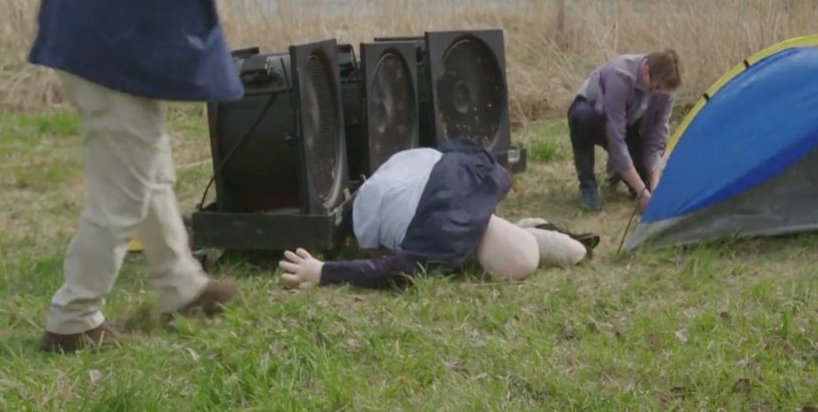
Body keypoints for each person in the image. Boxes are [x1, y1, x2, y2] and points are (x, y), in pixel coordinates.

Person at [29, 0, 284, 353]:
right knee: (120, 194)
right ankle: (72, 320)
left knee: (151, 171)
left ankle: (180, 285)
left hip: (76, 47)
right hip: (117, 59)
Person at [277, 140, 595, 290]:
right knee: (561, 252)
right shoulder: (440, 242)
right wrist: (323, 271)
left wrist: (323, 270)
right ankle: (532, 236)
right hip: (384, 198)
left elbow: (454, 146)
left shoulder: (484, 173)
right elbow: (384, 270)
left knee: (572, 252)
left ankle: (532, 235)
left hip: (412, 164)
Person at [568, 49, 681, 213]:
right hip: (594, 112)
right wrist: (642, 193)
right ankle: (587, 185)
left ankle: (617, 170)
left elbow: (655, 142)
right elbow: (616, 138)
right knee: (583, 119)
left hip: (626, 122)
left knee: (645, 180)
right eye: (656, 88)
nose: (658, 94)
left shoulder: (664, 91)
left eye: (663, 91)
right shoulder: (620, 75)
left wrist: (654, 188)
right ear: (646, 71)